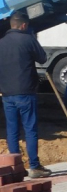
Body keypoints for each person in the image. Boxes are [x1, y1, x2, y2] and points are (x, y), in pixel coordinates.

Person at [0, 10, 50, 178]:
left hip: (7, 93)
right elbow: (43, 58)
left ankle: (15, 168)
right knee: (30, 129)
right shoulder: (28, 39)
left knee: (12, 130)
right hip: (26, 92)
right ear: (23, 25)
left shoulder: (1, 43)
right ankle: (34, 166)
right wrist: (34, 38)